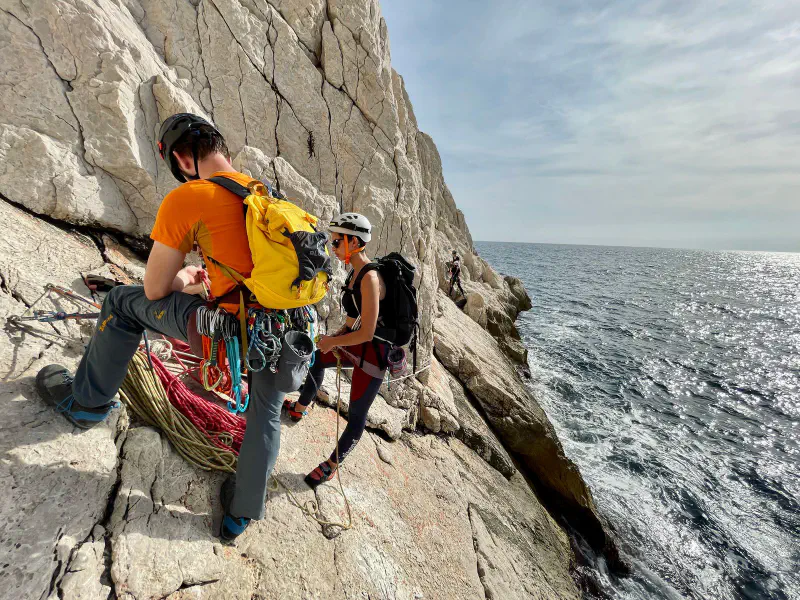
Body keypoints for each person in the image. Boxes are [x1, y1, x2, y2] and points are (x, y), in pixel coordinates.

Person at [35, 113, 281, 541]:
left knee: (120, 301)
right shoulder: (266, 198)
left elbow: (152, 290)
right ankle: (240, 513)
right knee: (268, 411)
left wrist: (186, 278)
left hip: (227, 338)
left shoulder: (192, 198)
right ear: (221, 148)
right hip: (284, 338)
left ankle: (86, 402)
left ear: (184, 159)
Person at [284, 212, 389, 488]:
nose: (332, 247)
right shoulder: (355, 273)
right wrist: (332, 337)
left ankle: (332, 465)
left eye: (336, 242)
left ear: (354, 242)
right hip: (357, 345)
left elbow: (368, 332)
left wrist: (335, 342)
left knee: (356, 415)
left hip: (373, 357)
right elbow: (354, 320)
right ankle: (300, 407)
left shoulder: (370, 278)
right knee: (318, 358)